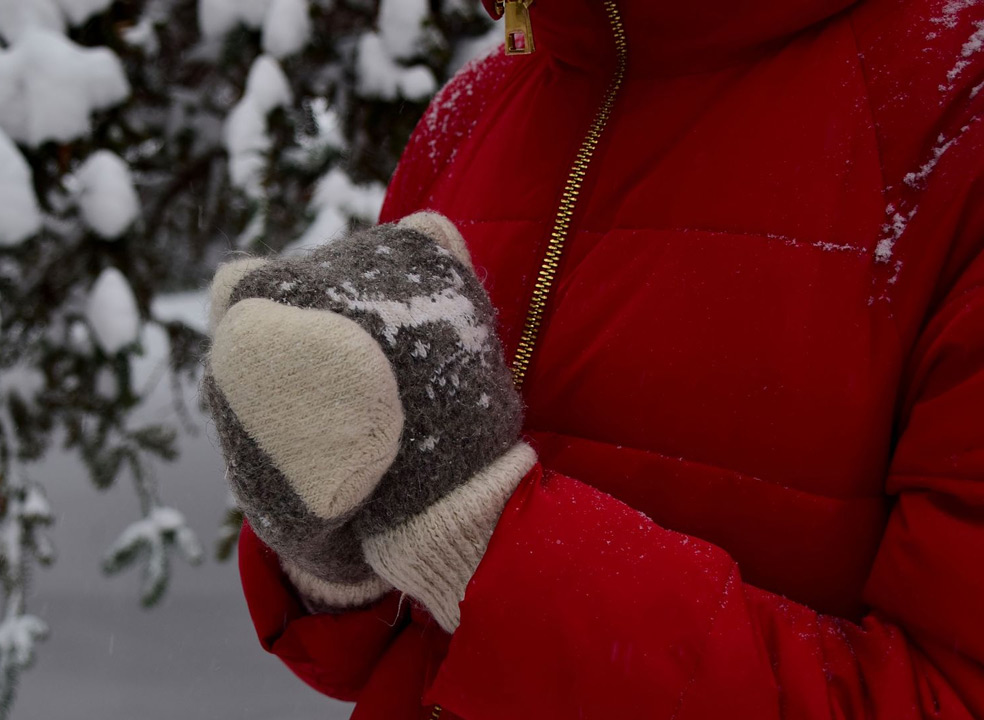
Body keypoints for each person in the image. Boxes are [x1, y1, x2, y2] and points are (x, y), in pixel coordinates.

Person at [213, 0, 984, 717]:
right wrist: (331, 544)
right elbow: (381, 662)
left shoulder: (956, 108)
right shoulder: (474, 109)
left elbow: (949, 694)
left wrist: (483, 549)